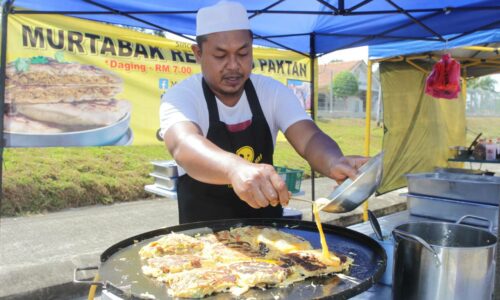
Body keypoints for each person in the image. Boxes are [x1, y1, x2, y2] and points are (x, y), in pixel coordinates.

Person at [159, 1, 368, 224]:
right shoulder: (181, 96)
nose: (233, 65)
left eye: (243, 53)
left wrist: (333, 161)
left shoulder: (272, 92)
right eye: (220, 56)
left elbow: (309, 138)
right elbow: (183, 143)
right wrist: (234, 168)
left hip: (268, 238)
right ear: (198, 53)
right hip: (202, 243)